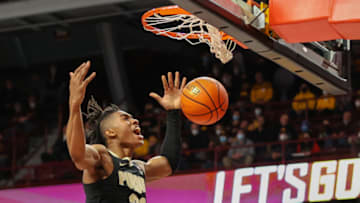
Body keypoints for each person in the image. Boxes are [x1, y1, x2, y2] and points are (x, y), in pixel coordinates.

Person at [66, 61, 186, 203]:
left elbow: (169, 163)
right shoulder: (103, 157)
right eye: (126, 119)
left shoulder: (139, 167)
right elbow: (78, 155)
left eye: (133, 118)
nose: (135, 121)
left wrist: (173, 112)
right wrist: (75, 105)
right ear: (110, 132)